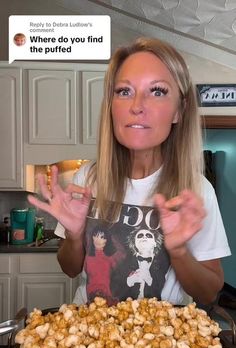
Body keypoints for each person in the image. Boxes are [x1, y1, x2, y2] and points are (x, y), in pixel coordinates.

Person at [28, 37, 231, 306]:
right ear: (111, 106)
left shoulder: (196, 190)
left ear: (179, 111)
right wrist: (75, 237)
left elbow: (208, 292)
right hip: (91, 334)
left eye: (157, 91)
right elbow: (70, 268)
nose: (137, 105)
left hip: (159, 340)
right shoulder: (87, 179)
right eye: (124, 91)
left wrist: (179, 251)